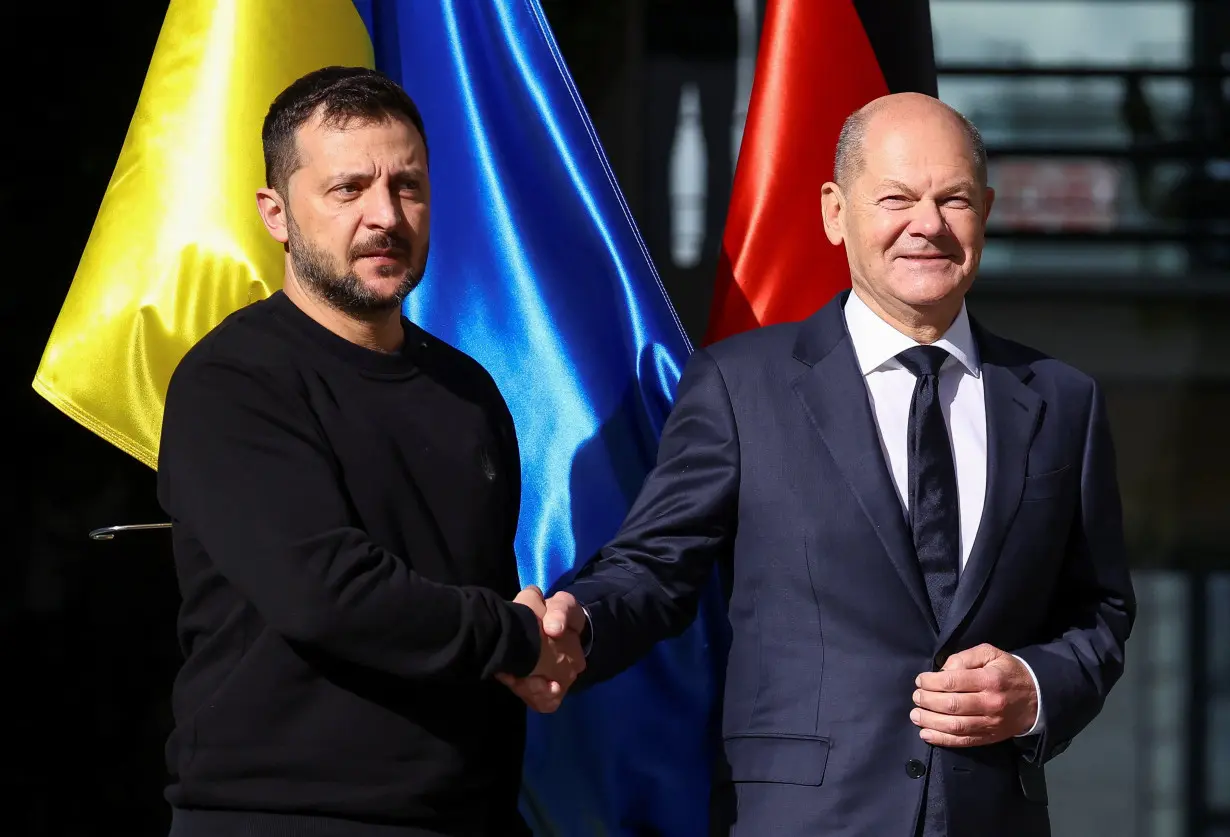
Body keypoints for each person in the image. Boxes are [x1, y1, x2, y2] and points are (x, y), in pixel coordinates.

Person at [512, 93, 1137, 836]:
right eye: (897, 198)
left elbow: (1100, 610)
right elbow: (656, 566)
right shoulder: (742, 385)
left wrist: (1035, 688)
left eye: (954, 200)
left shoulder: (1063, 402)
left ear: (987, 212)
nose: (927, 225)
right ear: (835, 212)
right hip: (801, 816)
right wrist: (577, 623)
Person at [156, 66, 583, 837]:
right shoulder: (232, 382)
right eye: (349, 189)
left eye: (408, 186)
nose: (385, 216)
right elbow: (327, 593)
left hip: (468, 814)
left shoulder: (465, 388)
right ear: (276, 213)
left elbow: (480, 587)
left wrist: (545, 639)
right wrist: (518, 636)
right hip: (283, 816)